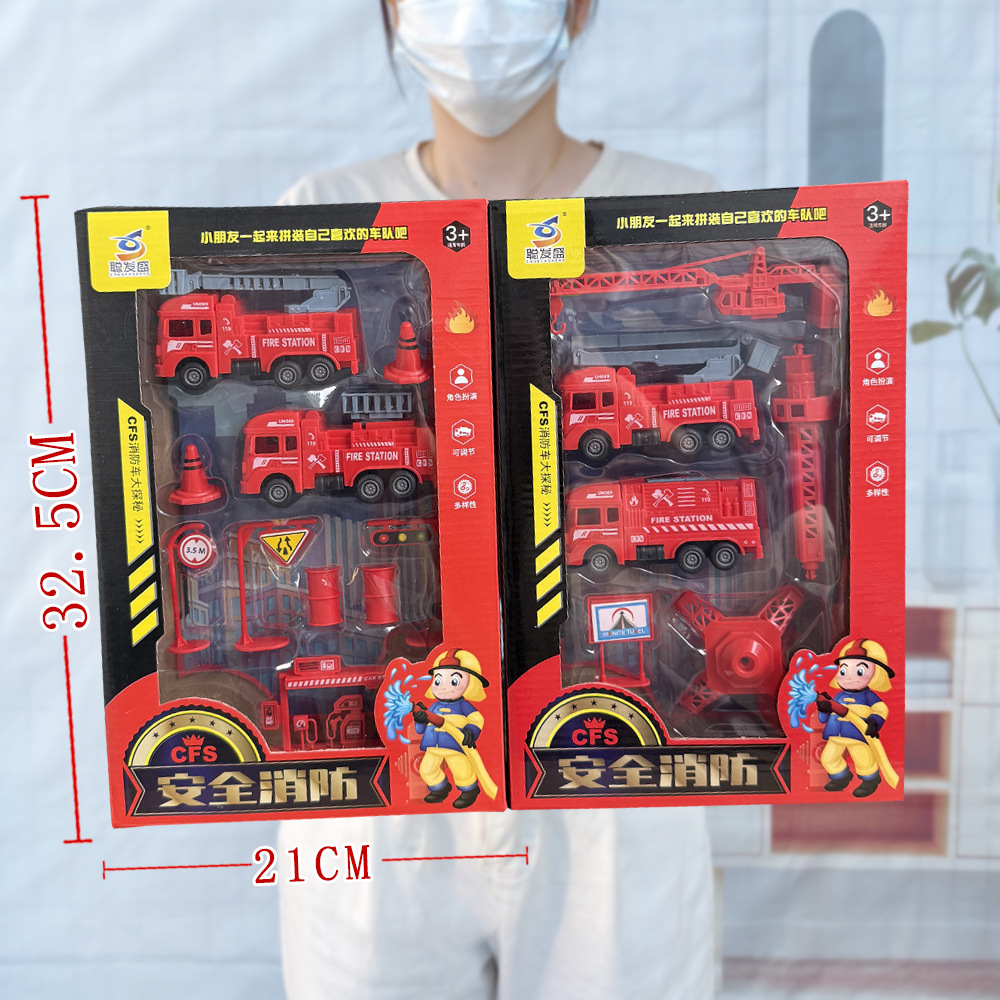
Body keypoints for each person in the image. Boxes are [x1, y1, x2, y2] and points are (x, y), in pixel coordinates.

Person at [278, 3, 716, 997]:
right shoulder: (321, 212)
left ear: (580, 8)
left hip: (616, 752)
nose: (475, 15)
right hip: (385, 762)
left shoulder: (686, 211)